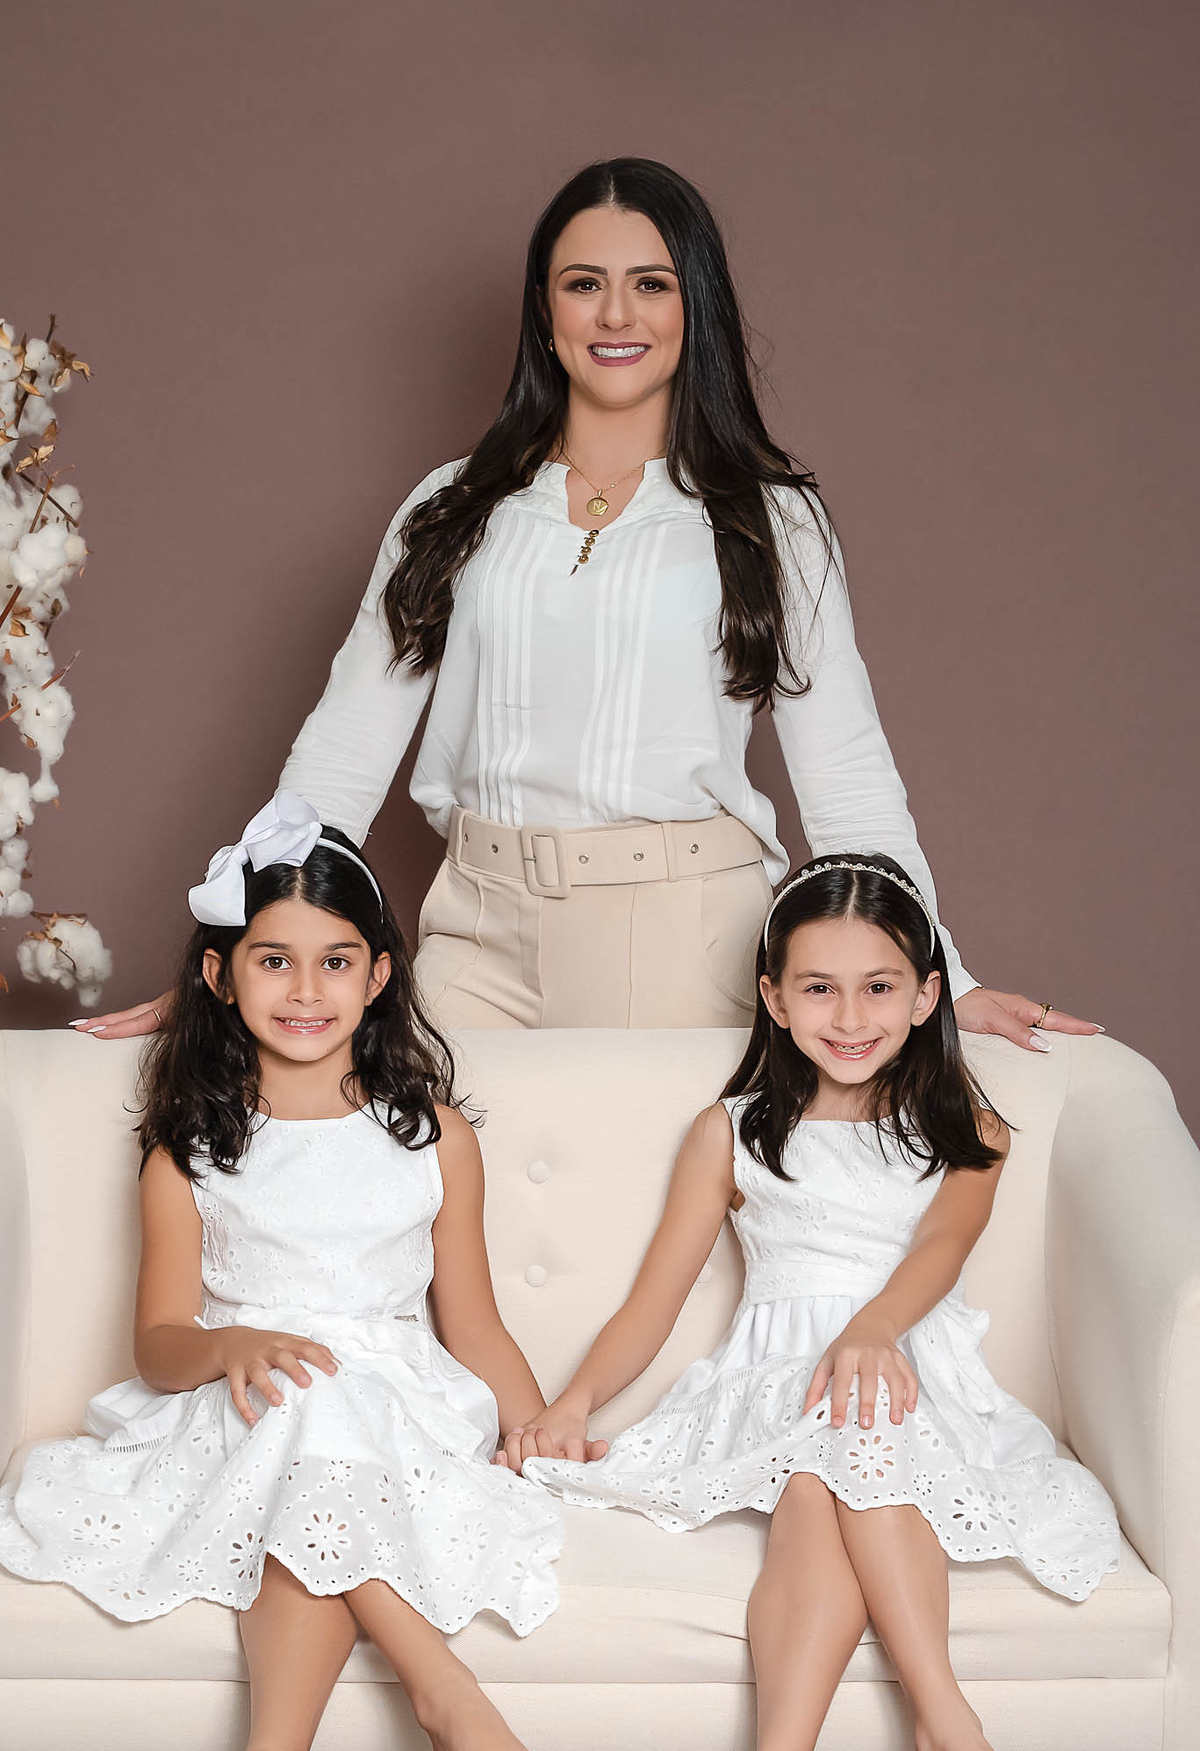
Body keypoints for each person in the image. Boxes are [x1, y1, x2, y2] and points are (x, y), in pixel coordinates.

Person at [73, 157, 1100, 1047]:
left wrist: (943, 973)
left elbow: (846, 773)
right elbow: (345, 749)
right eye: (584, 284)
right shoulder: (450, 506)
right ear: (544, 309)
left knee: (652, 1212)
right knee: (425, 1193)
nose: (616, 315)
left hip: (688, 936)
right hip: (475, 930)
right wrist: (234, 951)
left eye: (651, 284)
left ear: (695, 306)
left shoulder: (769, 518)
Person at [504, 853, 1120, 1751]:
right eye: (820, 989)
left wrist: (873, 1331)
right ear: (776, 997)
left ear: (927, 996)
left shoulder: (968, 1128)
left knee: (842, 1445)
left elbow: (943, 1248)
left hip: (910, 1366)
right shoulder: (732, 1132)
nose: (851, 1017)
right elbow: (654, 1302)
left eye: (879, 987)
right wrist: (573, 1403)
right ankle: (917, 1728)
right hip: (777, 1376)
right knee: (815, 1462)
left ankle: (923, 1719)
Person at [0, 791, 566, 1751]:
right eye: (274, 961)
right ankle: (446, 1695)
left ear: (378, 975)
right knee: (303, 1403)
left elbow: (472, 1322)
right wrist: (233, 1344)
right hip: (241, 1406)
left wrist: (536, 1428)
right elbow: (159, 1345)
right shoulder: (189, 1151)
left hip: (397, 1410)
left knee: (321, 1422)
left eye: (335, 962)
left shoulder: (433, 1137)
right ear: (219, 977)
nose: (306, 991)